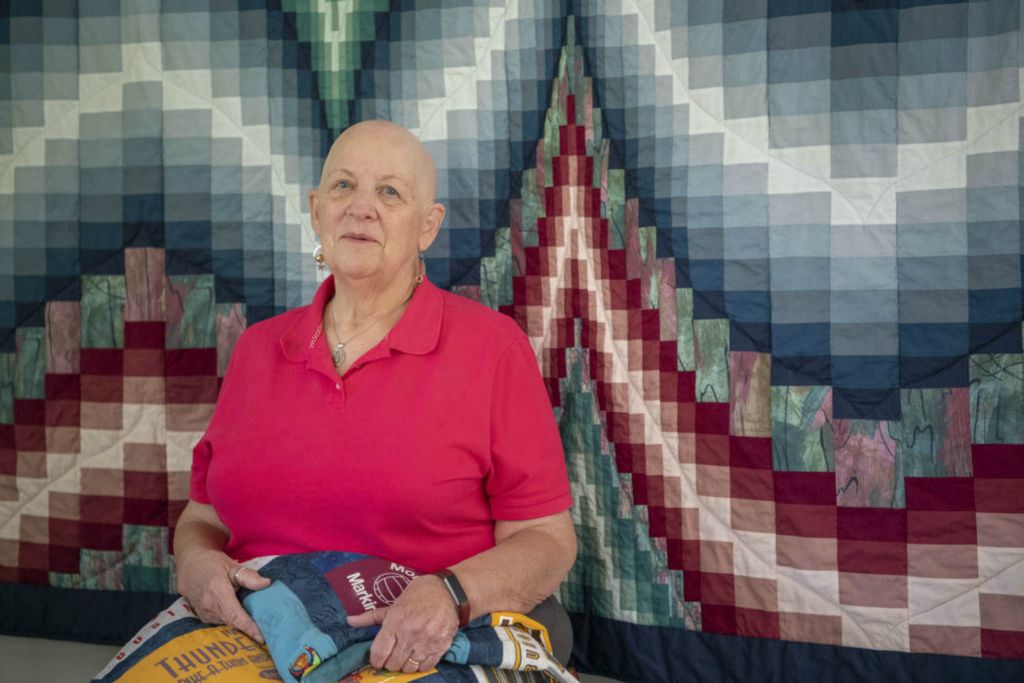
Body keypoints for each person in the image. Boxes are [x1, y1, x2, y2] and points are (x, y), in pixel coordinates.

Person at [173, 120, 577, 674]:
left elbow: (546, 539)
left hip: (429, 631)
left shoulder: (492, 349)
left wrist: (452, 593)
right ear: (317, 210)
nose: (361, 208)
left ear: (427, 226)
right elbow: (205, 515)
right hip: (261, 628)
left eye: (390, 191)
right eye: (343, 187)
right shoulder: (257, 348)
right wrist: (194, 562)